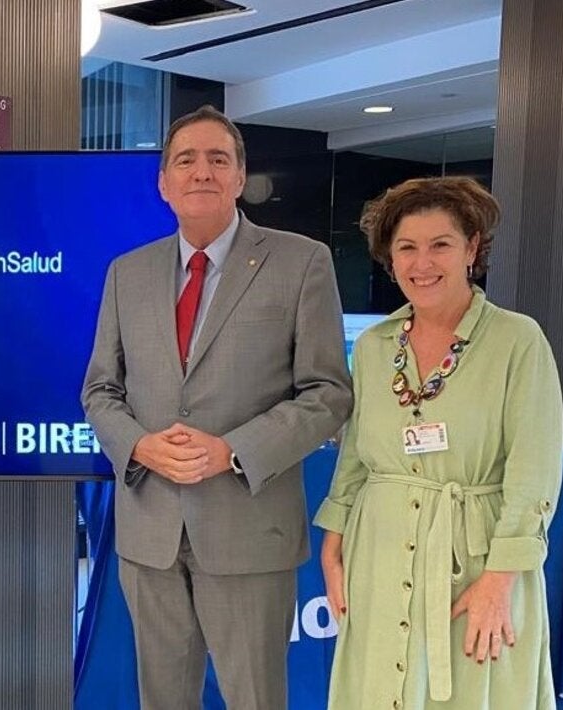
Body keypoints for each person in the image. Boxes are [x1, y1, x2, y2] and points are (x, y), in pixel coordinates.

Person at [81, 105, 353, 710]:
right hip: (150, 530)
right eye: (186, 159)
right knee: (163, 698)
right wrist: (138, 444)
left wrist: (233, 450)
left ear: (239, 177)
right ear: (164, 183)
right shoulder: (128, 273)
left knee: (254, 697)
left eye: (217, 159)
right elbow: (100, 390)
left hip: (249, 529)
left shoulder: (301, 262)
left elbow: (328, 394)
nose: (201, 171)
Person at [315, 176, 562, 709]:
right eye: (407, 247)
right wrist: (333, 541)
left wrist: (499, 582)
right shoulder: (378, 346)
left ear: (472, 248)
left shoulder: (518, 341)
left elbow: (535, 471)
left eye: (440, 245)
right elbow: (357, 454)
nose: (421, 263)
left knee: (475, 688)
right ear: (390, 258)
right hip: (378, 549)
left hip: (475, 557)